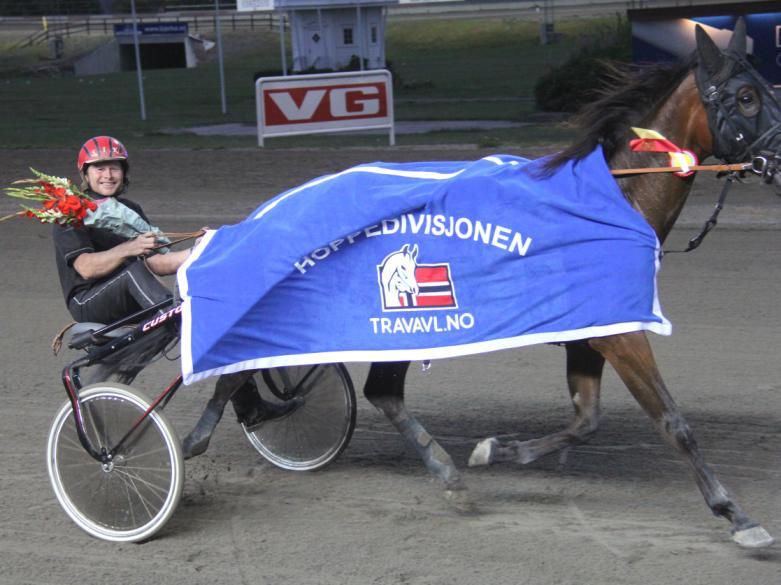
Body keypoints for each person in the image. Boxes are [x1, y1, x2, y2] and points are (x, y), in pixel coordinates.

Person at [53, 136, 194, 324]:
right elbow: (86, 268)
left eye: (114, 168)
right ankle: (177, 322)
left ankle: (181, 317)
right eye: (100, 168)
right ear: (85, 174)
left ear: (123, 172)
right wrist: (129, 248)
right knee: (133, 269)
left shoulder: (130, 209)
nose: (108, 176)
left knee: (146, 275)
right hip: (88, 303)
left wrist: (199, 251)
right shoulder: (70, 210)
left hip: (129, 294)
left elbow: (157, 263)